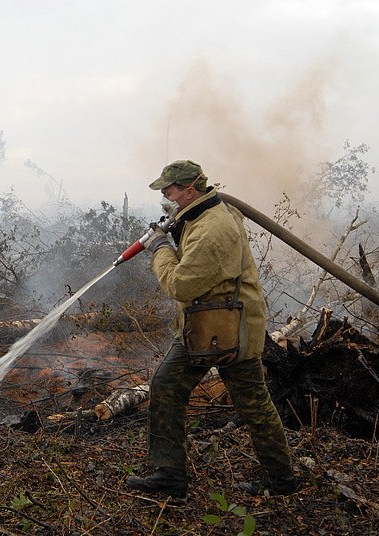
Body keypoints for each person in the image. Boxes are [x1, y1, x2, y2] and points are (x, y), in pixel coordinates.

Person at [125, 160, 297, 498]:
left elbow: (181, 284)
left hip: (228, 328)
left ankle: (279, 479)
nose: (165, 195)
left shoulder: (212, 228)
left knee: (248, 400)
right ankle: (170, 474)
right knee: (175, 387)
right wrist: (177, 230)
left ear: (190, 190)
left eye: (170, 190)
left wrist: (161, 248)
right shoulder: (204, 213)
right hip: (208, 323)